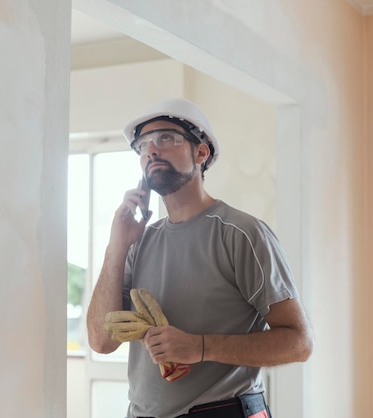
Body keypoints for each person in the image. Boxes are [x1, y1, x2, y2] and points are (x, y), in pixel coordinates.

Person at [86, 98, 313, 418]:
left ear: (201, 152)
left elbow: (299, 343)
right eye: (143, 145)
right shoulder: (138, 244)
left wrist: (201, 347)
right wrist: (116, 245)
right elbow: (101, 340)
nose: (151, 149)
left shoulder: (241, 233)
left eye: (166, 137)